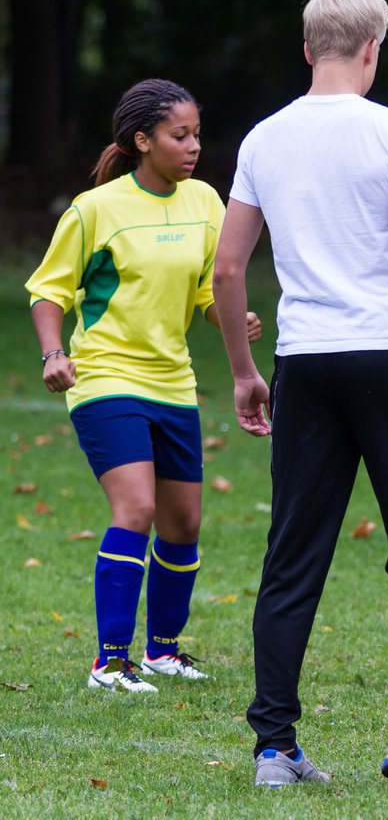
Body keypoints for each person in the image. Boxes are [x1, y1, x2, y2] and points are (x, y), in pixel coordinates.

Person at [211, 0, 388, 792]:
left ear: (306, 49)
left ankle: (274, 749)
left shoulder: (262, 139)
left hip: (305, 362)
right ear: (372, 49)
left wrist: (246, 372)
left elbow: (226, 267)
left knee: (293, 554)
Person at [26, 78, 261, 694]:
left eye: (197, 135)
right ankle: (110, 659)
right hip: (106, 376)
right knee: (136, 509)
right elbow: (49, 291)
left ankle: (162, 651)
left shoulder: (206, 202)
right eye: (179, 136)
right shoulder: (95, 209)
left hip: (173, 381)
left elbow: (211, 292)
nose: (193, 147)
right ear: (142, 140)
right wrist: (54, 352)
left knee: (183, 526)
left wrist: (231, 317)